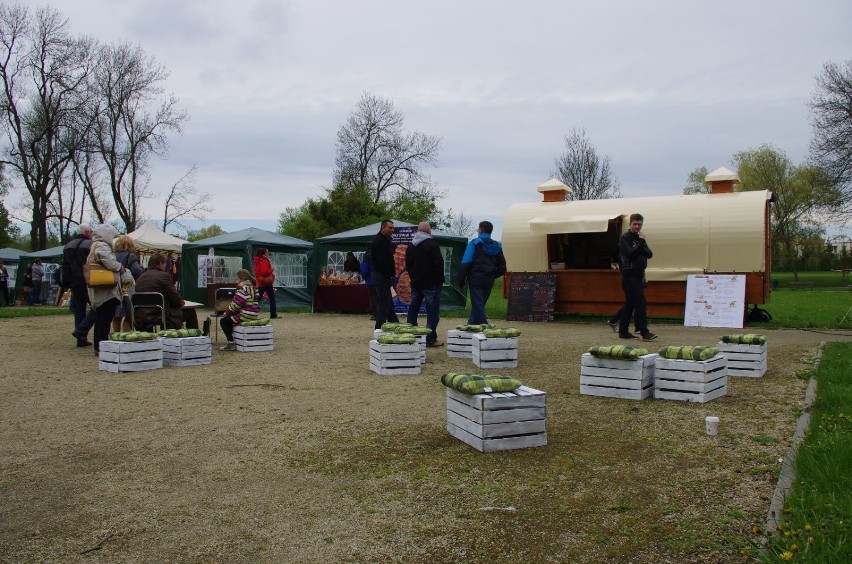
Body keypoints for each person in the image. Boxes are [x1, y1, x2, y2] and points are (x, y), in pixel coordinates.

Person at [134, 253, 199, 331]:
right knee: (190, 312)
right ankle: (193, 338)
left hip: (141, 315)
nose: (165, 266)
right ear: (161, 264)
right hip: (160, 314)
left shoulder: (140, 278)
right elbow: (175, 298)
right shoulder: (164, 276)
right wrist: (181, 303)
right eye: (165, 264)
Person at [618, 213, 657, 341]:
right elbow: (630, 254)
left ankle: (623, 331)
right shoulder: (625, 238)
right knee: (640, 301)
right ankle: (643, 330)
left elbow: (649, 254)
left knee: (630, 303)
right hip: (629, 274)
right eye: (634, 224)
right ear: (630, 225)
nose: (637, 226)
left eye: (639, 224)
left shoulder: (640, 238)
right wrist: (640, 242)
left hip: (639, 273)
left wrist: (641, 242)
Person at [458, 221, 507, 325]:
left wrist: (461, 279)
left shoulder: (474, 243)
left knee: (478, 304)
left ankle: (484, 326)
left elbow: (466, 262)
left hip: (475, 279)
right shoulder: (497, 246)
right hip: (489, 280)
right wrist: (493, 275)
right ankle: (471, 325)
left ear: (480, 230)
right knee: (479, 304)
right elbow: (503, 267)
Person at [405, 221, 445, 347]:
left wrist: (413, 277)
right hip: (431, 283)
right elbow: (439, 264)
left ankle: (412, 335)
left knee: (413, 309)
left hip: (416, 283)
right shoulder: (432, 244)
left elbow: (408, 265)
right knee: (432, 311)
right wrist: (440, 280)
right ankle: (430, 339)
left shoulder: (411, 246)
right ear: (428, 231)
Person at [87, 224, 124, 354]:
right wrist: (120, 267)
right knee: (105, 317)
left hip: (102, 289)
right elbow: (109, 262)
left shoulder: (95, 245)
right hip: (105, 290)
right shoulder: (102, 246)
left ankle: (100, 344)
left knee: (102, 317)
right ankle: (101, 345)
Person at [63, 224, 97, 347]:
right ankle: (81, 330)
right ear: (87, 232)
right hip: (87, 280)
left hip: (73, 281)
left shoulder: (68, 246)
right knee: (97, 306)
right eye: (91, 231)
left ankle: (81, 339)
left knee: (79, 310)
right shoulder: (89, 245)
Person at [219, 269, 260, 351]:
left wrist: (226, 313)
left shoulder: (243, 290)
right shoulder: (253, 288)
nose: (236, 281)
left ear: (242, 279)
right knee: (230, 319)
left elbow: (235, 305)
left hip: (246, 315)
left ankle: (231, 342)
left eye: (237, 279)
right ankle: (235, 340)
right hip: (254, 313)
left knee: (224, 321)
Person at [112, 235, 144, 332]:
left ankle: (116, 335)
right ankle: (126, 335)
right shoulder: (131, 256)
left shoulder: (112, 256)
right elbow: (136, 271)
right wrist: (142, 268)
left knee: (117, 314)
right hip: (127, 285)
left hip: (115, 285)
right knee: (128, 313)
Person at [371, 219, 400, 329]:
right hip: (381, 275)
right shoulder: (379, 241)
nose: (392, 230)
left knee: (388, 302)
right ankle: (379, 329)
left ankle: (395, 325)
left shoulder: (386, 240)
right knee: (384, 303)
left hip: (385, 276)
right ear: (383, 228)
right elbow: (382, 261)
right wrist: (389, 275)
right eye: (390, 228)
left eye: (393, 228)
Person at [253, 247, 277, 318]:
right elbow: (264, 272)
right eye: (267, 252)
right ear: (264, 253)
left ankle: (251, 311)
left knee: (258, 298)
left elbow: (258, 272)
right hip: (266, 282)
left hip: (260, 282)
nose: (268, 254)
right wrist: (271, 269)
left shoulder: (257, 261)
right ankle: (273, 314)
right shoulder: (264, 260)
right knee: (272, 298)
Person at [360, 242, 377, 320]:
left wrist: (364, 277)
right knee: (380, 297)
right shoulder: (377, 254)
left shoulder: (366, 256)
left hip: (370, 280)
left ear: (367, 247)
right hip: (379, 279)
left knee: (373, 297)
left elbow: (364, 269)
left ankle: (375, 314)